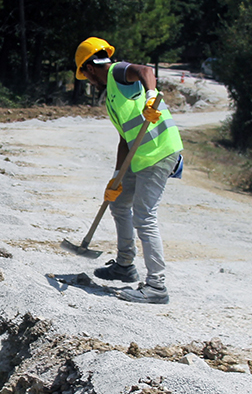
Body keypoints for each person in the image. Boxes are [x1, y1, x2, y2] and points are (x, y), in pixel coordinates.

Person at [74, 35, 183, 304]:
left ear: (89, 68)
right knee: (119, 204)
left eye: (86, 76)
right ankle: (125, 266)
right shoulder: (112, 96)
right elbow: (124, 139)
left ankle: (156, 286)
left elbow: (145, 71)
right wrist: (116, 178)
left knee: (144, 217)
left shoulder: (117, 72)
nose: (89, 82)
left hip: (159, 152)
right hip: (139, 157)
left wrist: (151, 96)